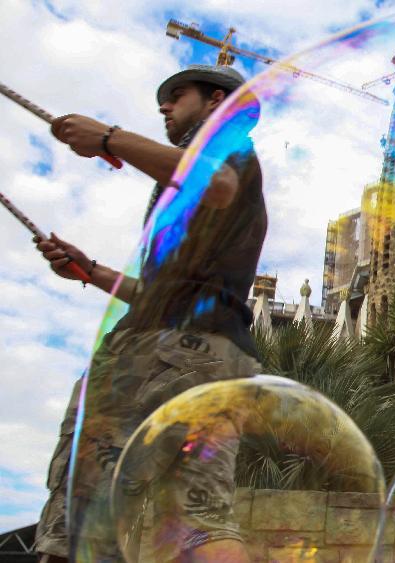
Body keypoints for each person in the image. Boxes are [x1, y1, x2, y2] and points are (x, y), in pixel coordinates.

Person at [33, 64, 267, 562]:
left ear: (217, 103)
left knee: (113, 517)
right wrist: (89, 271)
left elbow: (218, 182)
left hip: (181, 351)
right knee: (87, 519)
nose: (164, 106)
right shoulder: (185, 188)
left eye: (177, 95)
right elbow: (164, 294)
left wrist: (111, 138)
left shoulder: (230, 149)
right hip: (170, 343)